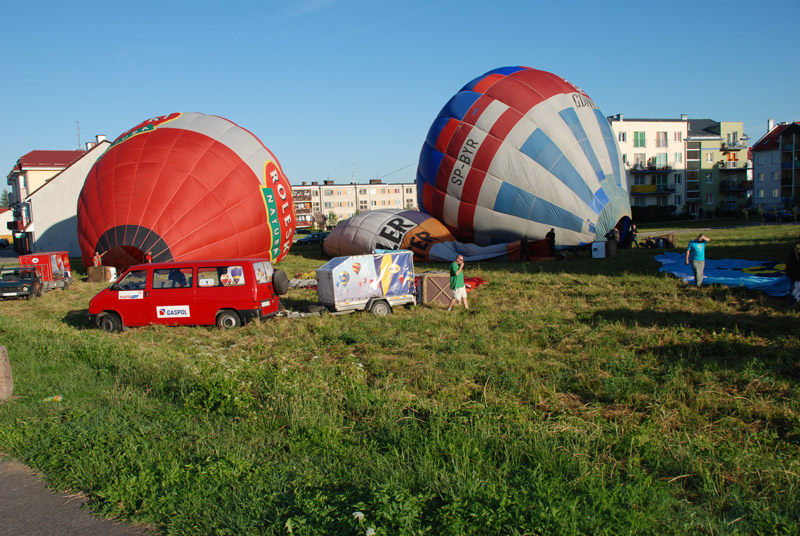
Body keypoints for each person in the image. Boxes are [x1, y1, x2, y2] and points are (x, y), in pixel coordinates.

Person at [785, 233, 800, 307]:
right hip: (796, 272)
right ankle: (792, 304)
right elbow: (798, 260)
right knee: (795, 289)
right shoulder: (797, 247)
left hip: (795, 271)